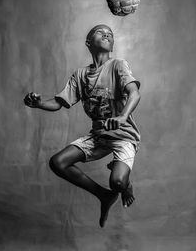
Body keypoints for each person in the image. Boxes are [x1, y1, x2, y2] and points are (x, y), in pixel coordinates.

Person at [24, 24, 141, 227]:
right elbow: (58, 103)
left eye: (110, 34)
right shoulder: (80, 75)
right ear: (88, 42)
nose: (106, 34)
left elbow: (134, 93)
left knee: (118, 182)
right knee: (58, 162)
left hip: (123, 135)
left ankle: (126, 184)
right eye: (100, 32)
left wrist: (123, 116)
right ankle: (104, 196)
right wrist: (39, 103)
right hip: (98, 136)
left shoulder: (118, 65)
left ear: (112, 44)